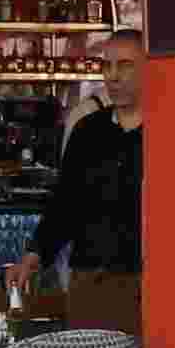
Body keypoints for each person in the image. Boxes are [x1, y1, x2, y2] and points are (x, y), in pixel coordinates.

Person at [29, 75, 141, 286]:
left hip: (150, 277)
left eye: (126, 66)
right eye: (109, 66)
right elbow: (66, 201)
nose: (116, 76)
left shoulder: (166, 128)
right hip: (92, 276)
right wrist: (34, 255)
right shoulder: (87, 127)